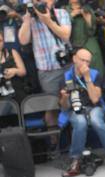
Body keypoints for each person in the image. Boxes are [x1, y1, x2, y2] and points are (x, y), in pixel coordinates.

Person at [59, 47, 105, 177]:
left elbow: (95, 99)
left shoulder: (95, 74)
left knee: (96, 120)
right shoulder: (65, 77)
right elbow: (64, 106)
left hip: (95, 107)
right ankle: (76, 160)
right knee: (80, 122)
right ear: (74, 59)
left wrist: (87, 77)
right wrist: (65, 97)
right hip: (75, 109)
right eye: (82, 60)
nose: (85, 64)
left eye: (88, 61)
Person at [18, 0, 72, 129]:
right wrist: (26, 20)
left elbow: (65, 36)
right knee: (52, 107)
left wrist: (48, 20)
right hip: (46, 70)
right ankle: (54, 142)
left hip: (66, 67)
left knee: (71, 101)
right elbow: (23, 40)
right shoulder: (31, 18)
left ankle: (73, 137)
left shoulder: (61, 13)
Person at [68, 0, 104, 73]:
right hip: (72, 49)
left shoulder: (87, 8)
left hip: (90, 46)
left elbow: (92, 31)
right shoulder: (64, 10)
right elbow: (62, 28)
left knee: (96, 73)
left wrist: (87, 16)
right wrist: (72, 15)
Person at [0, 31, 27, 105]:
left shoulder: (12, 52)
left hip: (16, 93)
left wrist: (14, 71)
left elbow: (23, 71)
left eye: (0, 41)